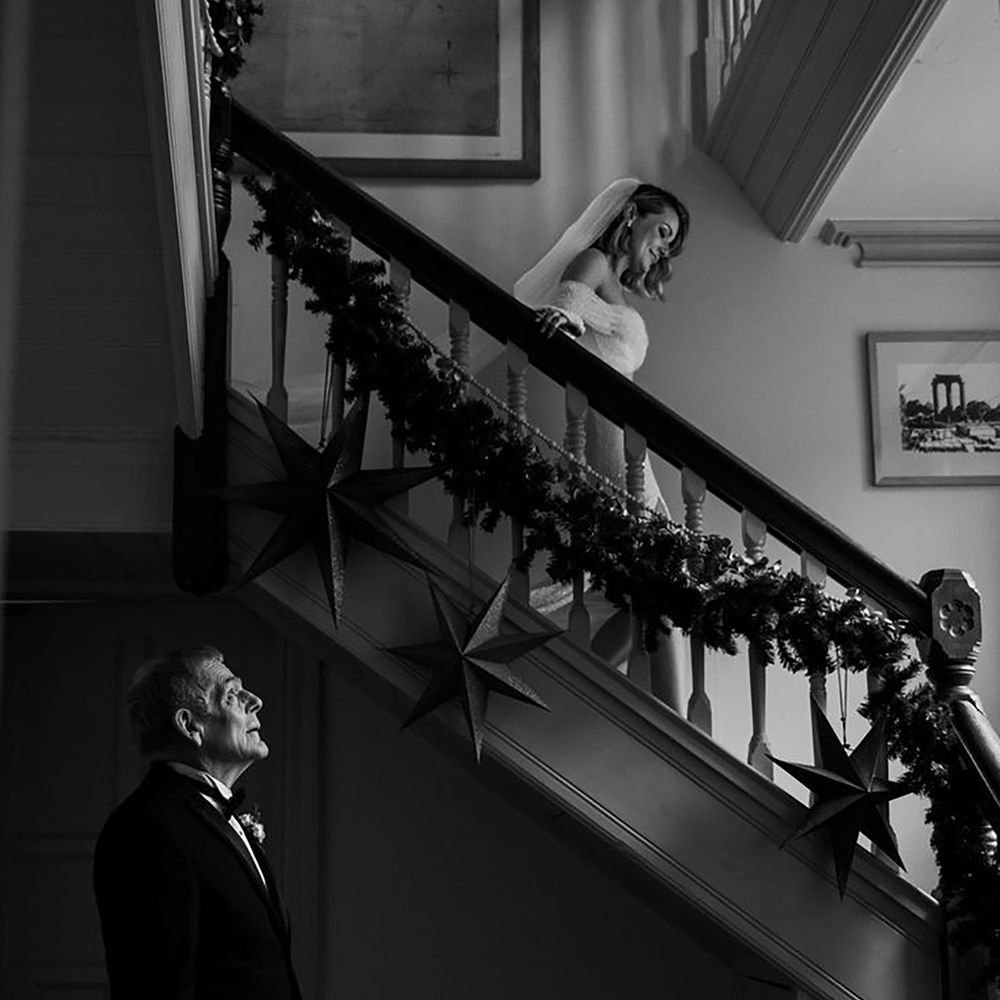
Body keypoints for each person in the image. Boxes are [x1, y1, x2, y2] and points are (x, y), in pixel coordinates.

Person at [514, 179, 690, 703]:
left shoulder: (612, 277)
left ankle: (567, 686)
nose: (661, 248)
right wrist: (566, 318)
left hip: (623, 439)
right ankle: (678, 725)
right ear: (631, 214)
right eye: (662, 232)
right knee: (664, 584)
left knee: (650, 596)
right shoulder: (592, 262)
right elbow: (570, 302)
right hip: (608, 442)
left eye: (669, 244)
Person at [93, 646, 302, 1000]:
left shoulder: (214, 815)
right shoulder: (145, 829)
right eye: (232, 694)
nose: (256, 701)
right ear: (191, 726)